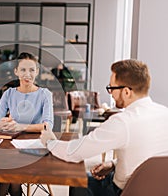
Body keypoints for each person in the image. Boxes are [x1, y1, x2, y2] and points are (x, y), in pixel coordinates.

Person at [41, 59, 168, 196]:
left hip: (125, 191)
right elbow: (150, 157)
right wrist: (113, 164)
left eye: (112, 88)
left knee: (79, 182)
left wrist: (50, 142)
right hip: (159, 190)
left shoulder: (123, 122)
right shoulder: (164, 113)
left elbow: (74, 153)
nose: (111, 93)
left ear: (126, 92)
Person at [0, 52, 54, 196]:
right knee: (8, 167)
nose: (28, 74)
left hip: (35, 148)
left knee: (8, 171)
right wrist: (2, 123)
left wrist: (21, 127)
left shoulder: (45, 94)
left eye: (32, 70)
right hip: (12, 147)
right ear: (16, 72)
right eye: (23, 70)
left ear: (37, 72)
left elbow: (47, 125)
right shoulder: (9, 94)